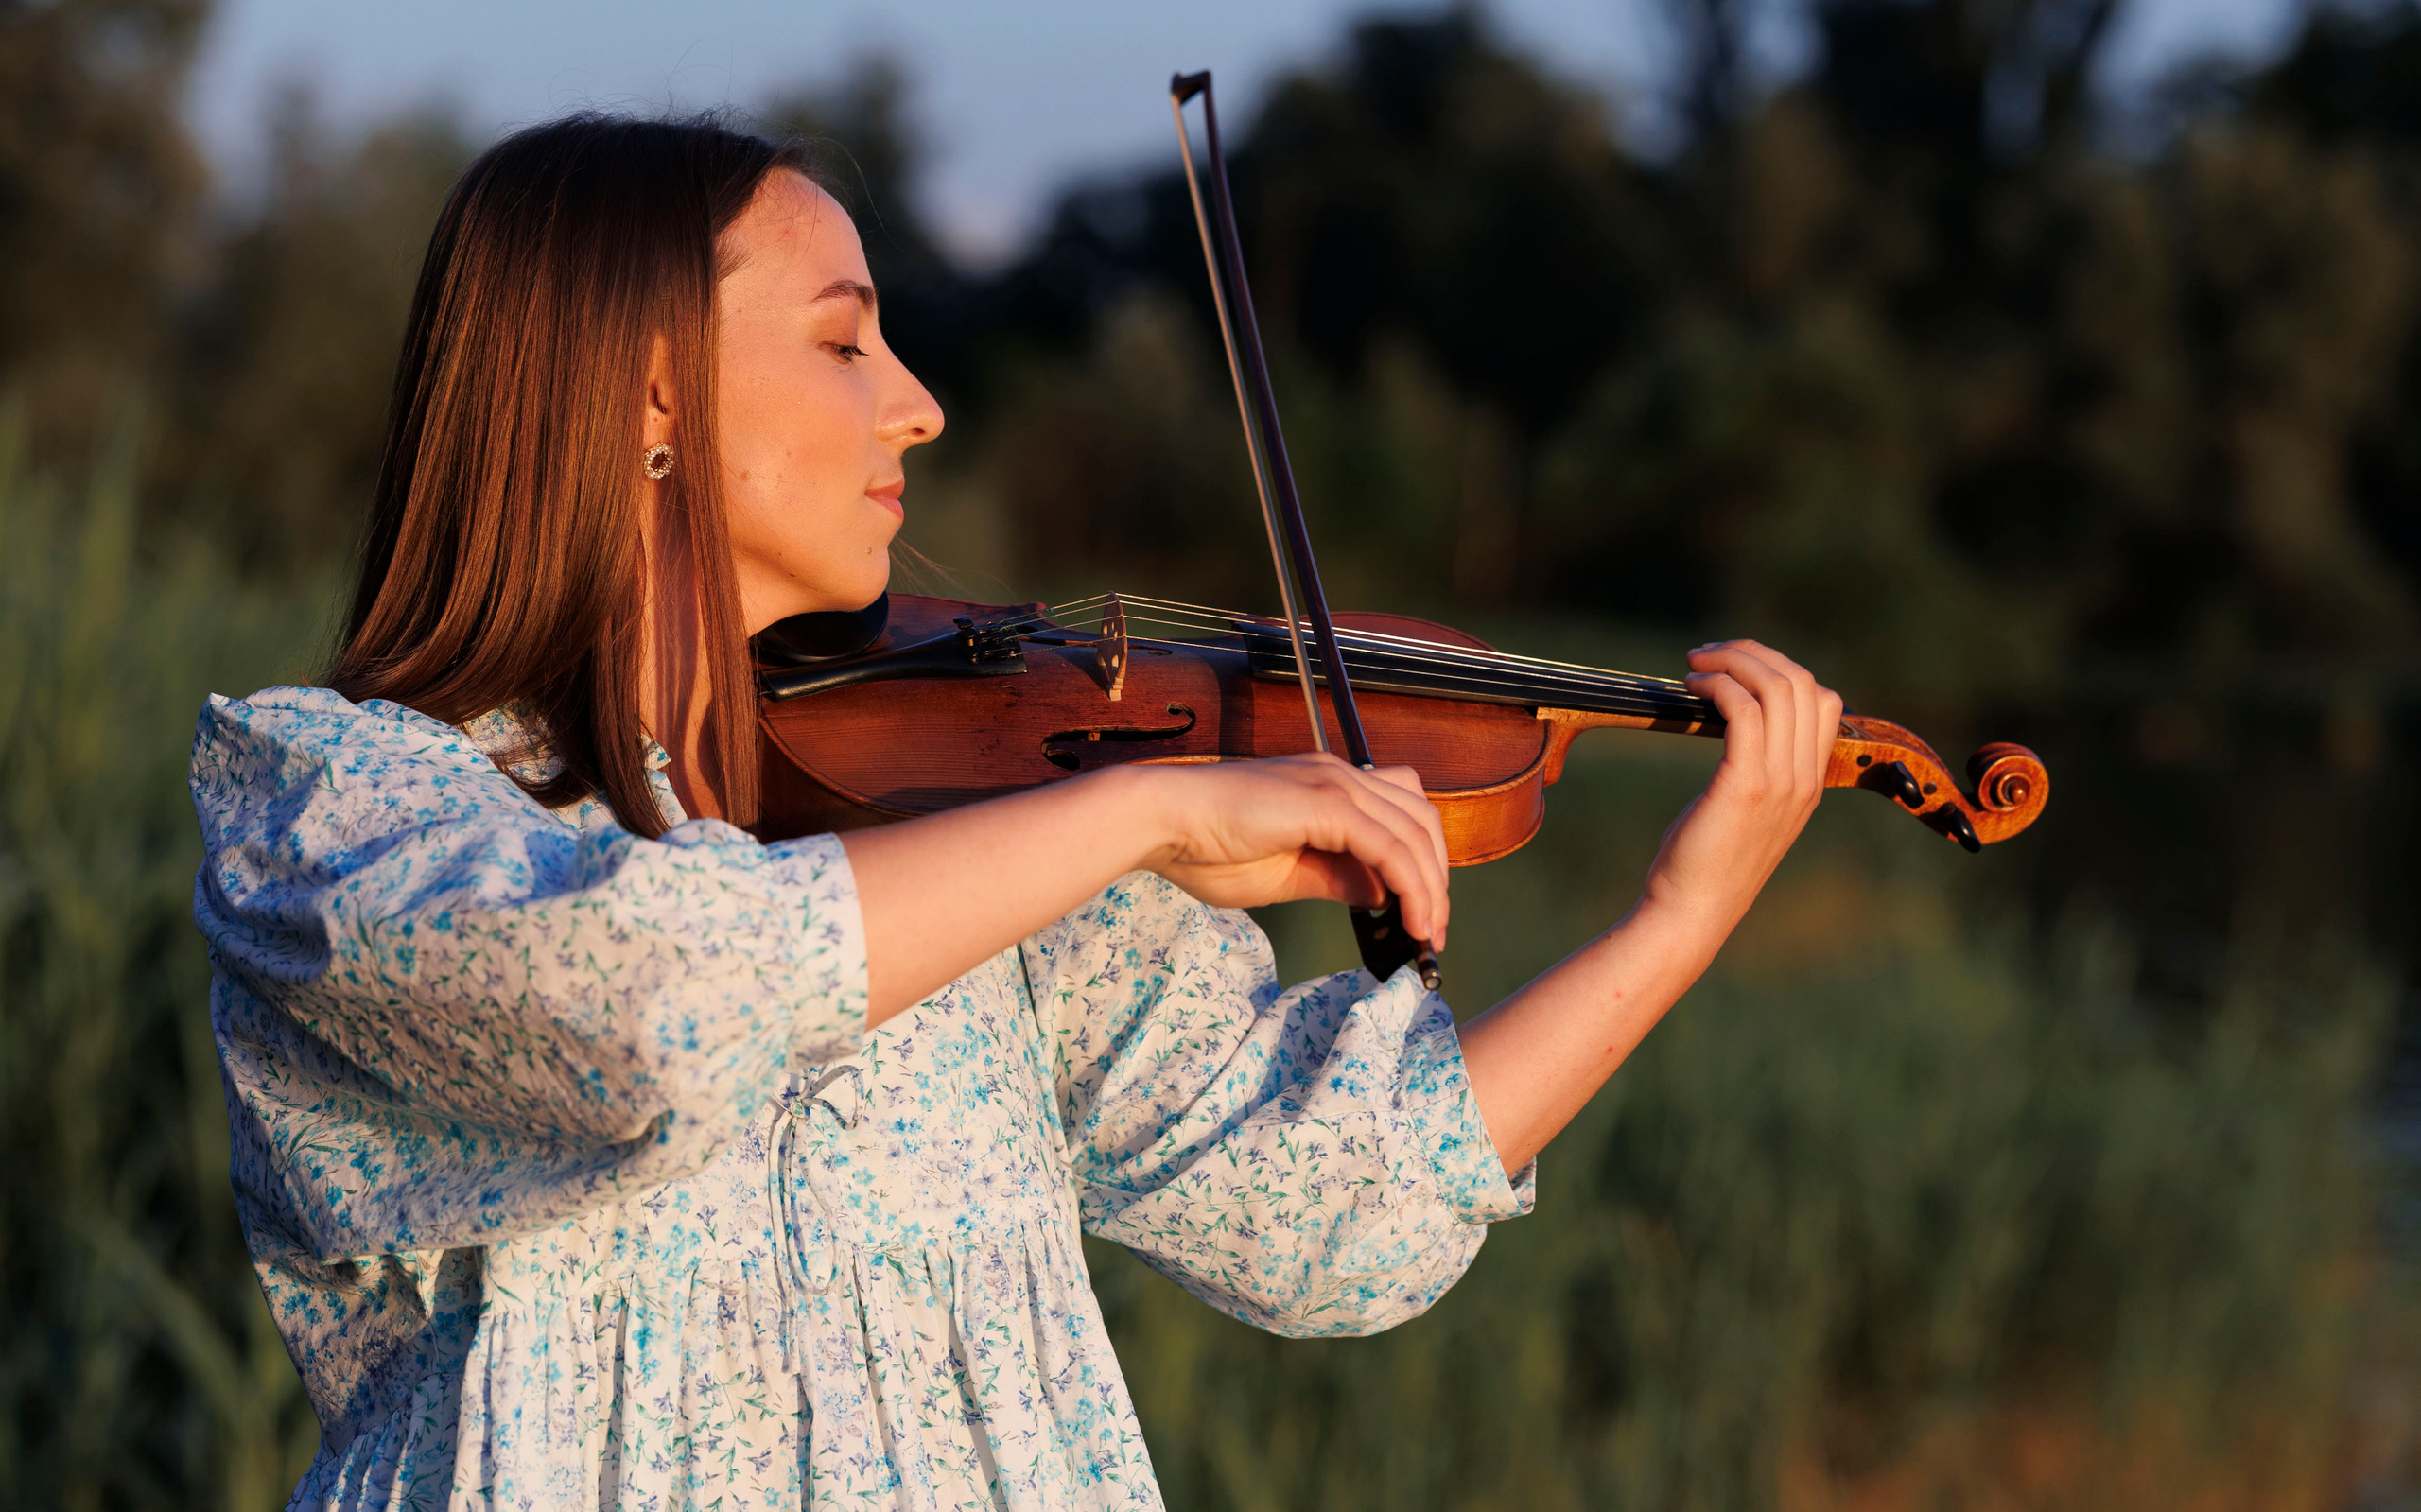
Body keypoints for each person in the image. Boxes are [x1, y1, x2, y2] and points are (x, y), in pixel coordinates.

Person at [190, 113, 1842, 1512]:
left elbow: (1327, 1210)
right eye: (844, 342)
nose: (918, 403)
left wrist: (1678, 922)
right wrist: (1142, 814)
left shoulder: (958, 825)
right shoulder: (338, 814)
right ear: (648, 393)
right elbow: (652, 1006)